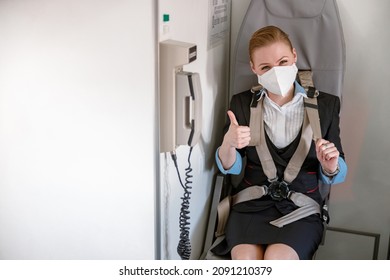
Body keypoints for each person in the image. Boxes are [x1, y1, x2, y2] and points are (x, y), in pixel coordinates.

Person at [212, 25, 347, 260]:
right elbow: (230, 166)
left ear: (294, 56)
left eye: (283, 61)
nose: (276, 71)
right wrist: (228, 144)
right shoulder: (242, 104)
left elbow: (338, 171)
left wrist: (330, 165)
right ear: (254, 69)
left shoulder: (326, 105)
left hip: (301, 208)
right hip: (250, 203)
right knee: (245, 262)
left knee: (277, 261)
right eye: (266, 67)